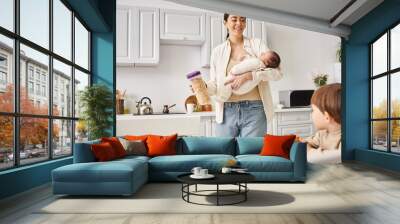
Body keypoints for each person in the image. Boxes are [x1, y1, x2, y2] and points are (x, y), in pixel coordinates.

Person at [205, 13, 283, 137]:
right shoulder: (217, 52)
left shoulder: (257, 44)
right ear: (225, 22)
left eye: (242, 20)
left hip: (255, 110)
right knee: (225, 154)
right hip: (226, 111)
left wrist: (250, 76)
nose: (239, 23)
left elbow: (277, 73)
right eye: (234, 19)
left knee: (251, 154)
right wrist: (203, 87)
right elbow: (215, 84)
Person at [297, 83, 342, 164]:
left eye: (313, 110)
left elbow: (313, 158)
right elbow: (304, 143)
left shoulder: (346, 140)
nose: (311, 114)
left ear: (327, 117)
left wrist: (309, 150)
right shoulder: (322, 134)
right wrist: (299, 141)